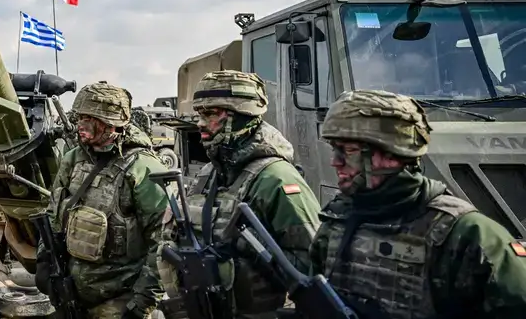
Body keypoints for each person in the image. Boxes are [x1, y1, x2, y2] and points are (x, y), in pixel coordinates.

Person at [312, 89, 526, 318]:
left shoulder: (469, 235)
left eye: (349, 151)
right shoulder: (337, 220)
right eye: (335, 149)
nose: (336, 162)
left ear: (393, 154)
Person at [158, 70, 321, 319]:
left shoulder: (276, 178)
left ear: (242, 116)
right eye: (200, 114)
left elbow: (313, 273)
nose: (200, 123)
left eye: (211, 114)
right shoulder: (208, 173)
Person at [38, 81, 168, 319]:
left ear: (112, 123)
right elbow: (53, 216)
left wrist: (141, 304)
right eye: (79, 117)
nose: (80, 125)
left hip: (120, 300)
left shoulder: (143, 169)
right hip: (71, 293)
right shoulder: (73, 159)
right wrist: (44, 259)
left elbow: (164, 244)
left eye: (89, 118)